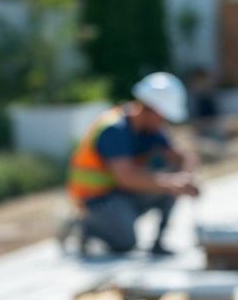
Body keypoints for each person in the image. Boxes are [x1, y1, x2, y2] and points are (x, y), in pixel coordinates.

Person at [62, 72, 202, 256]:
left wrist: (185, 177)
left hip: (121, 196)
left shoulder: (151, 130)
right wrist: (171, 182)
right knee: (126, 242)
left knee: (172, 181)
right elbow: (126, 178)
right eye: (162, 116)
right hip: (96, 199)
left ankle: (158, 243)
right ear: (150, 108)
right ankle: (84, 226)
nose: (164, 122)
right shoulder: (114, 129)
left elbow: (184, 157)